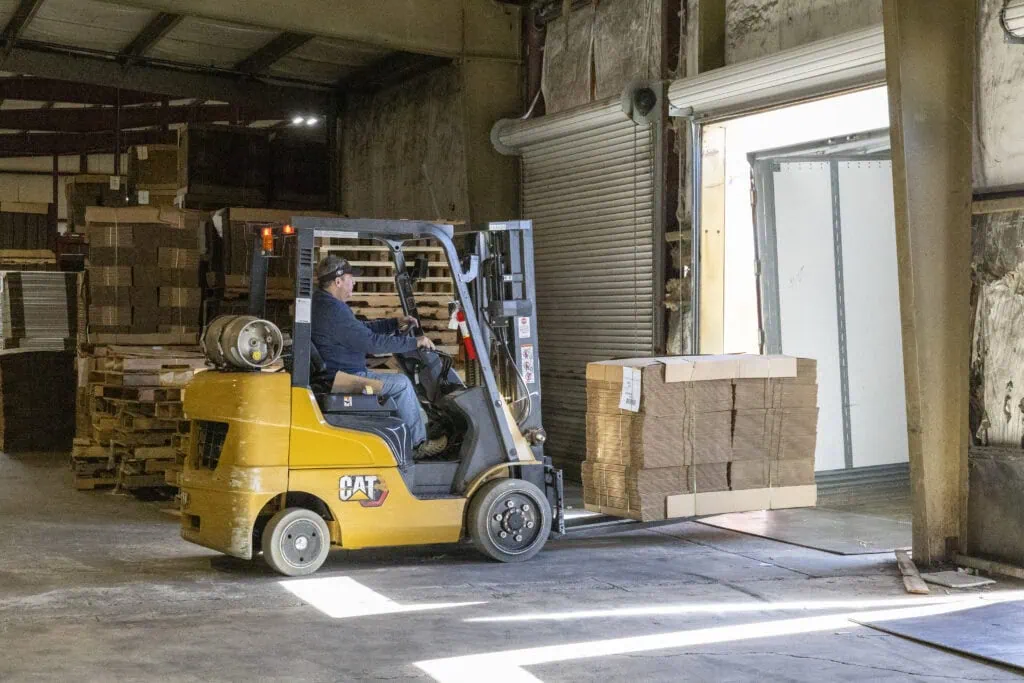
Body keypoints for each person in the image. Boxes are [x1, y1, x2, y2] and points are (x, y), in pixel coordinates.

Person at [311, 255, 446, 456]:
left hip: (337, 371)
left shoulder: (324, 304)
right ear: (338, 281)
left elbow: (360, 329)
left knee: (398, 381)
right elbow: (371, 342)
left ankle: (420, 427)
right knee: (402, 384)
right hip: (343, 377)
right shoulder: (333, 310)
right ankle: (418, 445)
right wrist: (414, 341)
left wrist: (393, 323)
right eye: (351, 278)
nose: (354, 282)